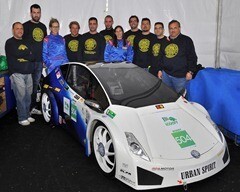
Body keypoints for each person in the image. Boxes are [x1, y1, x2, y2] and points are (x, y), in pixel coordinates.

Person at [5, 22, 35, 126]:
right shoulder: (9, 42)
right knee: (21, 96)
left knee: (28, 95)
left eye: (21, 28)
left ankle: (27, 114)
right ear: (13, 30)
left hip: (28, 73)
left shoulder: (27, 41)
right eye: (17, 28)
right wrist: (28, 54)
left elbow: (33, 56)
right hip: (17, 73)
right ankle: (21, 117)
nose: (20, 30)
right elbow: (16, 53)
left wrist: (25, 55)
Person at [159, 20, 198, 93]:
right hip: (166, 75)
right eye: (170, 28)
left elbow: (192, 57)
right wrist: (160, 70)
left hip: (181, 77)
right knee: (167, 95)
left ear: (179, 28)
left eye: (175, 28)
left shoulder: (186, 40)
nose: (172, 30)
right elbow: (161, 56)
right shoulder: (165, 41)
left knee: (181, 100)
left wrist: (190, 71)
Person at [23, 4, 47, 115]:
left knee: (34, 85)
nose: (36, 15)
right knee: (27, 86)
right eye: (34, 12)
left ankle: (31, 107)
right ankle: (23, 108)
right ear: (30, 13)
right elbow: (21, 44)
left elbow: (45, 44)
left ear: (40, 13)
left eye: (38, 12)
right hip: (28, 62)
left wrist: (44, 59)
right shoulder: (25, 26)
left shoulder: (43, 27)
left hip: (39, 61)